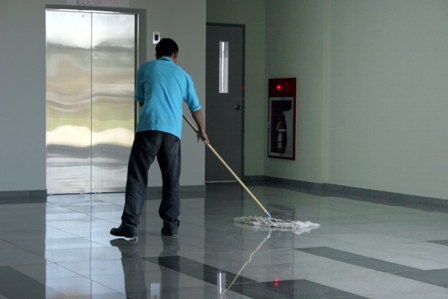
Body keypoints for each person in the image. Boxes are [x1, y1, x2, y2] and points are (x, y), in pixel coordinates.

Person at [111, 38, 208, 239]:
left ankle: (129, 224)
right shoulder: (183, 75)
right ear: (175, 55)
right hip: (172, 134)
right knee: (171, 180)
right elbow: (195, 108)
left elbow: (141, 102)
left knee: (137, 176)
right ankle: (170, 226)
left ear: (157, 54)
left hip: (148, 129)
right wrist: (202, 131)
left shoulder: (145, 69)